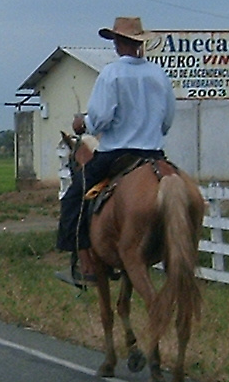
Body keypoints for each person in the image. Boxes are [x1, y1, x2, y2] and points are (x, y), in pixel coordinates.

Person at [62, 15, 176, 278]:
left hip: (116, 154)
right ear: (139, 42)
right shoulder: (159, 74)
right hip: (153, 154)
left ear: (117, 41)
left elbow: (101, 118)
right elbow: (167, 119)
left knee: (73, 199)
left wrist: (83, 124)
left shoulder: (111, 74)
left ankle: (85, 264)